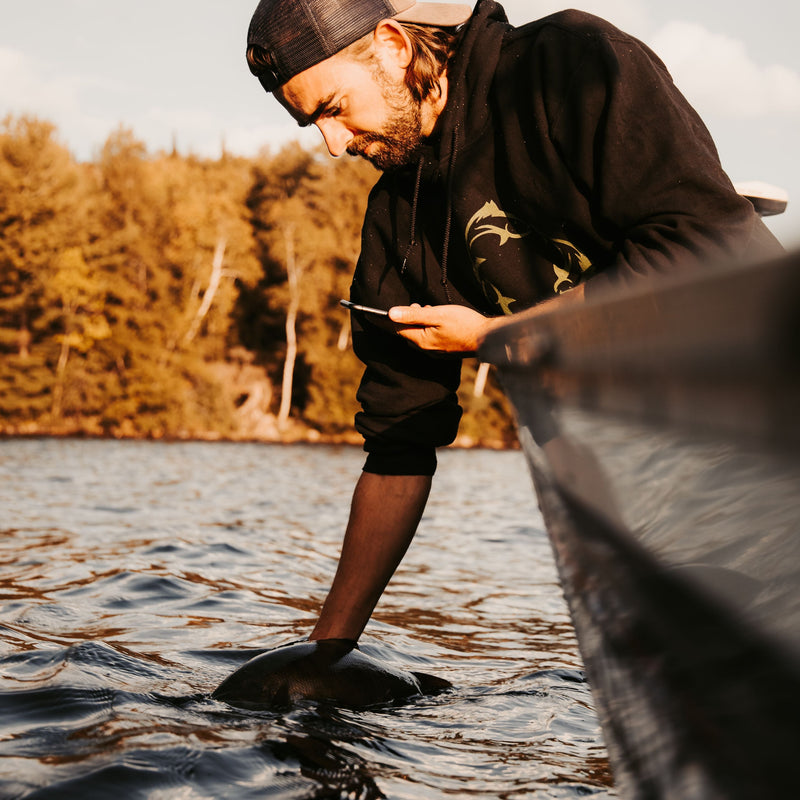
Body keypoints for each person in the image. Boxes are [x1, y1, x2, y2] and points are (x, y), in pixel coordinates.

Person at [245, 0, 782, 643]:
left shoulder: (568, 64)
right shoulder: (397, 223)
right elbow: (398, 449)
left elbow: (702, 253)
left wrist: (497, 336)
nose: (332, 145)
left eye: (331, 108)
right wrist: (326, 649)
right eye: (312, 126)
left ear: (391, 45)